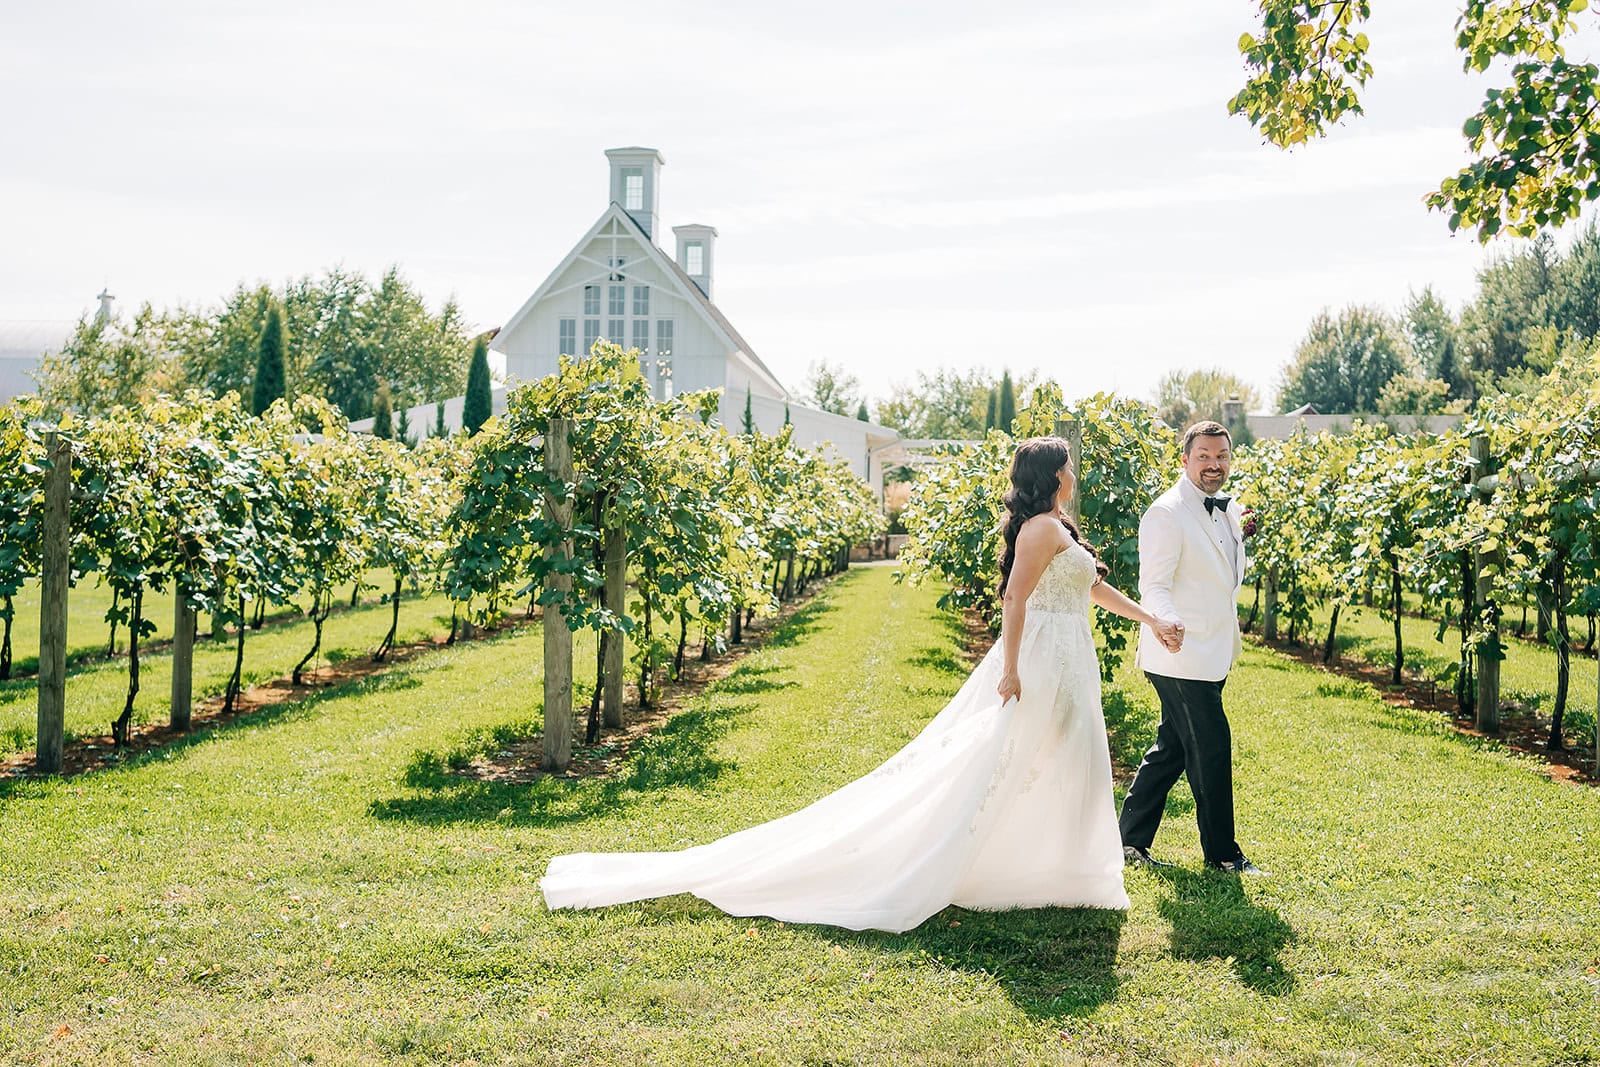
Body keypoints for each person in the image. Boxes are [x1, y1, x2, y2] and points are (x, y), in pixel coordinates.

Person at [540, 436, 1183, 932]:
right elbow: (1015, 599)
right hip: (1043, 654)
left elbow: (1089, 589)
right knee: (1018, 756)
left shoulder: (1059, 527)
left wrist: (1150, 619)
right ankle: (1017, 864)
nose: (1075, 473)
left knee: (1064, 754)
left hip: (1069, 652)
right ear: (1053, 474)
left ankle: (1061, 867)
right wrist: (1011, 667)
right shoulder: (1041, 529)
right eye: (1068, 466)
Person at [1118, 420, 1266, 876]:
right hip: (1178, 652)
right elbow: (1154, 584)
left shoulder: (1229, 508)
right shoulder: (1166, 513)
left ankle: (1127, 841)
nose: (1213, 465)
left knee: (1174, 748)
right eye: (1203, 456)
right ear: (1185, 460)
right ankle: (1223, 855)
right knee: (1212, 746)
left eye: (1221, 456)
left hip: (1212, 649)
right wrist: (1166, 620)